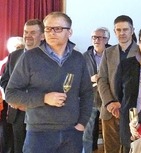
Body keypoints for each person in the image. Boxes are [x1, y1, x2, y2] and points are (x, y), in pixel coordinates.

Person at [6, 12, 93, 153]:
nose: (52, 32)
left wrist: (82, 124)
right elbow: (11, 94)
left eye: (57, 28)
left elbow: (87, 94)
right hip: (38, 132)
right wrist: (44, 98)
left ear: (69, 32)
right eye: (48, 29)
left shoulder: (78, 59)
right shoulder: (30, 58)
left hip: (71, 132)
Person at [97, 15, 139, 153]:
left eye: (125, 29)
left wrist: (124, 104)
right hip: (110, 110)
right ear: (114, 32)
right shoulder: (108, 52)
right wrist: (109, 102)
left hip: (133, 110)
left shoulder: (140, 52)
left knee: (132, 148)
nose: (122, 33)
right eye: (118, 30)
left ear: (132, 30)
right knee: (111, 149)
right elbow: (101, 79)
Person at [0, 19, 44, 153]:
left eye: (33, 32)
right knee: (19, 148)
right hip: (17, 113)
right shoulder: (14, 56)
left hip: (41, 113)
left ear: (42, 36)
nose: (28, 35)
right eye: (26, 32)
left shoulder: (49, 57)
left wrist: (29, 102)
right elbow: (4, 80)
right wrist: (15, 100)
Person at [81, 27, 109, 153]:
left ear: (107, 39)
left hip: (108, 98)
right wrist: (90, 78)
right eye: (94, 37)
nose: (96, 40)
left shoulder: (113, 54)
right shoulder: (84, 56)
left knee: (109, 132)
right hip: (90, 98)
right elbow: (78, 77)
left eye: (100, 37)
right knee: (87, 132)